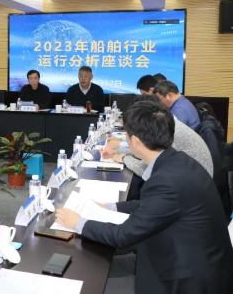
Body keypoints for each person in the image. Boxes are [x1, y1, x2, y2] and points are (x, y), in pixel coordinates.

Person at [56, 100, 233, 294]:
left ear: (136, 142)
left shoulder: (167, 181)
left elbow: (123, 235)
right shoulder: (178, 161)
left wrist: (78, 223)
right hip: (178, 253)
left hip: (185, 278)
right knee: (94, 266)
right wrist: (108, 206)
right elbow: (152, 205)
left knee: (88, 277)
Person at [103, 95, 213, 177]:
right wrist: (118, 151)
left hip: (191, 187)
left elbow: (146, 169)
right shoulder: (167, 124)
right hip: (189, 179)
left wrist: (124, 158)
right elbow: (147, 151)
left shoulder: (168, 131)